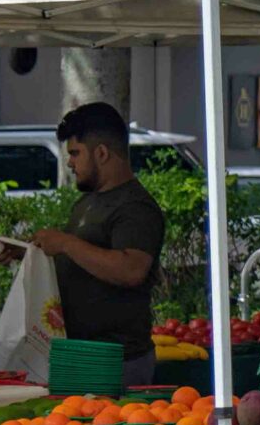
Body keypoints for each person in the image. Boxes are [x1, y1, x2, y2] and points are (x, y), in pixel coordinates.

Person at [32, 101, 165, 380]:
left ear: (102, 153)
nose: (69, 162)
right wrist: (25, 252)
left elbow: (131, 270)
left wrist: (67, 243)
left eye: (75, 153)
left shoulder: (136, 207)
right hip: (79, 354)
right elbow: (80, 258)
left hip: (119, 360)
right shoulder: (86, 203)